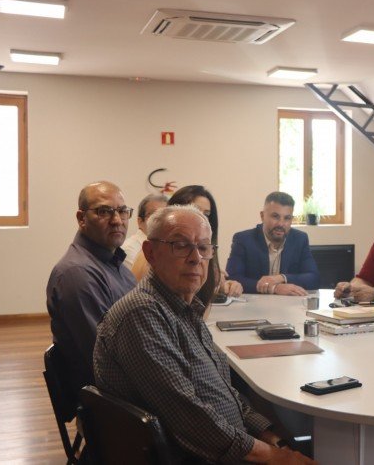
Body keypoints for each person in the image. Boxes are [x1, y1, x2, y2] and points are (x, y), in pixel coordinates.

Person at [93, 205, 313, 464]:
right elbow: (191, 418)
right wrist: (276, 457)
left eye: (204, 247)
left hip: (228, 446)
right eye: (180, 245)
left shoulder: (184, 308)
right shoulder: (141, 314)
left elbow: (222, 390)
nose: (196, 258)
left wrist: (271, 437)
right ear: (150, 253)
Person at [46, 181, 137, 391]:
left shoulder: (115, 264)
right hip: (110, 401)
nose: (117, 220)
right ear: (81, 218)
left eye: (122, 211)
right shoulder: (77, 274)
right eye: (104, 212)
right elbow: (106, 357)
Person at [131, 185, 243, 303]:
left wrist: (223, 286)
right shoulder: (149, 259)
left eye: (207, 214)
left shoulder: (202, 260)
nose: (202, 219)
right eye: (181, 246)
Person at [227, 191, 320, 296]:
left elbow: (314, 278)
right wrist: (274, 288)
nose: (281, 223)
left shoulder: (300, 239)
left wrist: (281, 278)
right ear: (262, 216)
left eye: (287, 218)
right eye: (275, 216)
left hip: (289, 307)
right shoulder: (243, 239)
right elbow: (233, 279)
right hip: (253, 307)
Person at [121, 193, 167, 269]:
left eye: (165, 215)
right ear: (140, 221)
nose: (162, 220)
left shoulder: (165, 245)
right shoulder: (129, 250)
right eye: (154, 215)